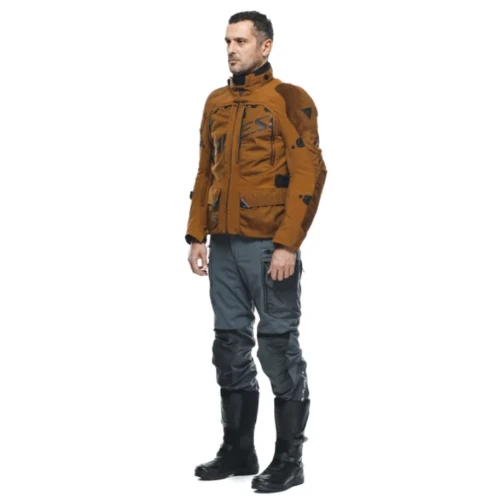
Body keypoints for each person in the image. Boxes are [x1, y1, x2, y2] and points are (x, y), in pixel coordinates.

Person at [185, 11, 327, 493]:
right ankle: (238, 450)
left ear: (265, 46)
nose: (231, 49)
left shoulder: (289, 98)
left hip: (269, 247)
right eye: (228, 41)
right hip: (223, 246)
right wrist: (196, 234)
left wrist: (288, 243)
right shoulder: (217, 102)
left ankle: (289, 460)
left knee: (277, 347)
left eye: (241, 41)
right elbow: (205, 169)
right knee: (229, 346)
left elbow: (310, 174)